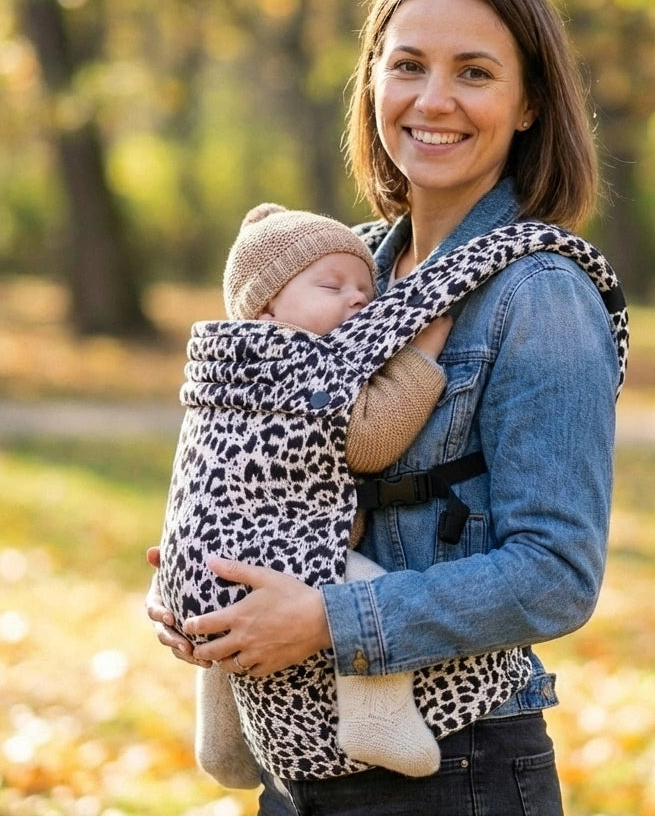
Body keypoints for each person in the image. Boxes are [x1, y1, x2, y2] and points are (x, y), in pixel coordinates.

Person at [147, 0, 628, 816]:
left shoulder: (541, 295)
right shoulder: (342, 271)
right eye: (407, 64)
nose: (432, 99)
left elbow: (555, 572)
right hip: (300, 776)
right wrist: (207, 578)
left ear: (530, 101)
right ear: (372, 80)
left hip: (450, 785)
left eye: (475, 72)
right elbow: (257, 442)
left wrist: (324, 620)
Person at [163, 201, 450, 785]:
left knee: (228, 617)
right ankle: (377, 719)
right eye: (331, 285)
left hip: (197, 555)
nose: (357, 300)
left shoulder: (228, 359)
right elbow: (370, 439)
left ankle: (222, 743)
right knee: (369, 594)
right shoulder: (297, 360)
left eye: (366, 288)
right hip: (272, 547)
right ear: (268, 305)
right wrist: (420, 357)